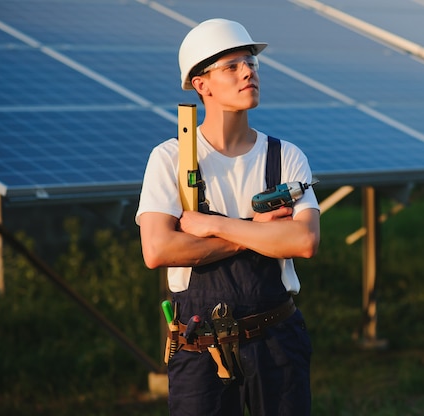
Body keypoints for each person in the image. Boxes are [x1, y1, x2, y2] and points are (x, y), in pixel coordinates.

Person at [135, 18, 321, 416]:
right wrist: (255, 233)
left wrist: (215, 225)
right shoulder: (170, 158)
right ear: (201, 84)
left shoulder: (286, 157)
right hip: (200, 352)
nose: (248, 71)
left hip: (277, 344)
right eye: (231, 66)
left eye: (251, 62)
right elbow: (158, 248)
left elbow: (303, 241)